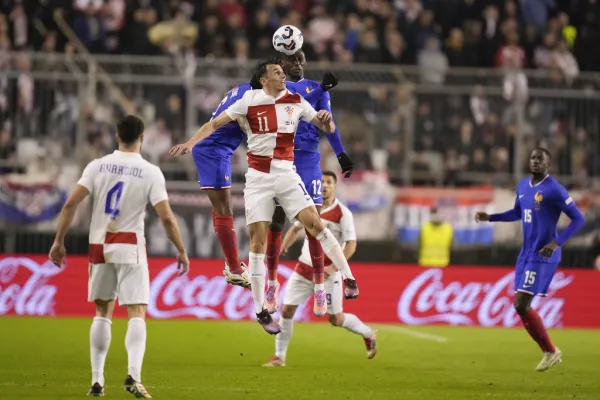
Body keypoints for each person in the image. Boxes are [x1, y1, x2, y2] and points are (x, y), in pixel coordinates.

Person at [169, 58, 359, 335]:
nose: (284, 76)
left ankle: (349, 278)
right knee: (257, 244)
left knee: (316, 225)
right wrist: (189, 144)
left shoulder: (295, 100)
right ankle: (261, 311)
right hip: (258, 180)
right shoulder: (248, 100)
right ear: (263, 79)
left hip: (286, 174)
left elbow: (323, 125)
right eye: (278, 72)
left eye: (283, 72)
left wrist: (327, 122)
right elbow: (214, 124)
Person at [48, 115, 189, 398]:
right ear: (142, 137)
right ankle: (133, 377)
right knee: (136, 311)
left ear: (116, 135)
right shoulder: (150, 171)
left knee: (102, 312)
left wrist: (58, 241)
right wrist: (181, 249)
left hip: (99, 246)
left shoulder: (97, 166)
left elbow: (70, 204)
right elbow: (166, 218)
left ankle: (97, 382)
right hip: (131, 246)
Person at [193, 69, 342, 290]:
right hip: (215, 152)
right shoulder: (250, 97)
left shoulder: (240, 91)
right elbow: (245, 125)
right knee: (225, 210)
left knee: (224, 209)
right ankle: (234, 268)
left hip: (219, 151)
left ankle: (235, 267)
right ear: (262, 84)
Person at [264, 49, 356, 318]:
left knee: (314, 221)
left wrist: (341, 155)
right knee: (276, 221)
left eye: (301, 60)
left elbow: (329, 123)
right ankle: (271, 283)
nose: (298, 64)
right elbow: (292, 93)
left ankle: (318, 286)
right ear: (281, 64)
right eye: (293, 60)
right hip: (282, 156)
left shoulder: (319, 90)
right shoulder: (282, 87)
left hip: (308, 161)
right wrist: (318, 90)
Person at [475, 148, 584, 372]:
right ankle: (549, 351)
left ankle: (551, 351)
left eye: (540, 159)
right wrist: (491, 217)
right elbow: (517, 212)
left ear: (548, 165)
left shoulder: (554, 189)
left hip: (544, 253)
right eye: (533, 157)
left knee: (520, 303)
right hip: (526, 253)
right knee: (521, 306)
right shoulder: (523, 185)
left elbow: (578, 219)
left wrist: (556, 242)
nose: (535, 162)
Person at [263, 171, 376, 367]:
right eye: (322, 181)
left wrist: (334, 267)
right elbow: (296, 228)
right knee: (287, 310)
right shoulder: (309, 206)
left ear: (335, 186)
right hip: (304, 268)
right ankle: (279, 357)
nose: (324, 185)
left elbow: (351, 245)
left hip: (327, 274)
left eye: (329, 182)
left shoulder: (343, 213)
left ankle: (368, 333)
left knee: (336, 319)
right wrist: (284, 246)